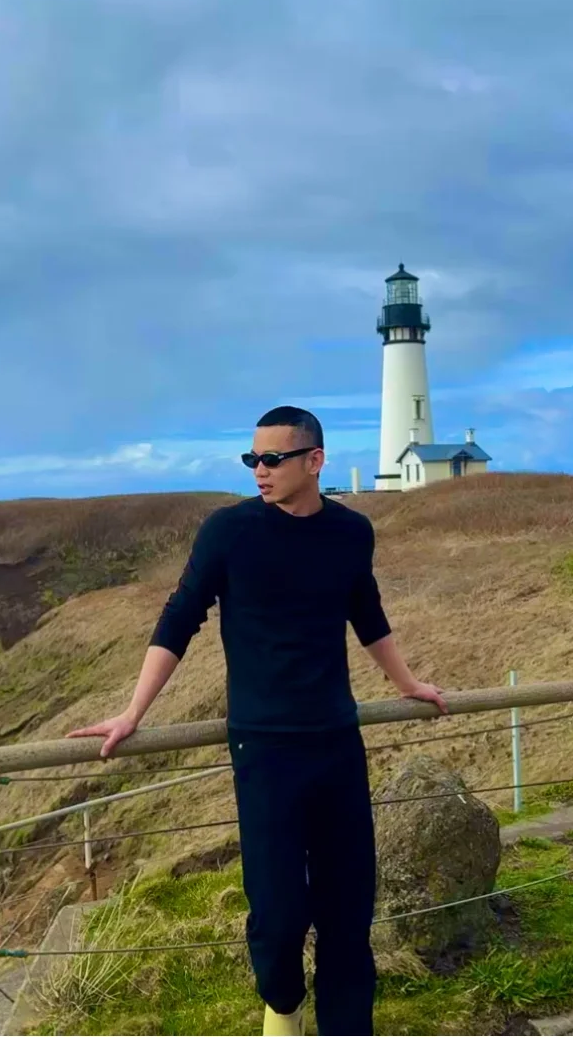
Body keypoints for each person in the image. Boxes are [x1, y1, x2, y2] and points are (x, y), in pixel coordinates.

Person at [68, 406, 447, 1036]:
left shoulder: (352, 533)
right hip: (264, 748)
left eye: (273, 459)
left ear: (315, 461)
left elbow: (368, 614)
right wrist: (133, 712)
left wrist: (408, 685)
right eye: (253, 459)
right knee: (276, 915)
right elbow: (179, 618)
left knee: (348, 913)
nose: (260, 471)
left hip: (336, 743)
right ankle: (284, 1008)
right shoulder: (229, 532)